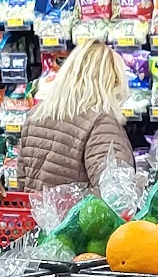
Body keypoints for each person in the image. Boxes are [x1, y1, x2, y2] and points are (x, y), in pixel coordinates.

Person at [13, 30, 134, 190]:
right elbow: (116, 193)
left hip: (35, 213)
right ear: (112, 81)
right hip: (79, 215)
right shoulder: (100, 123)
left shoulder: (36, 114)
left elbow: (22, 180)